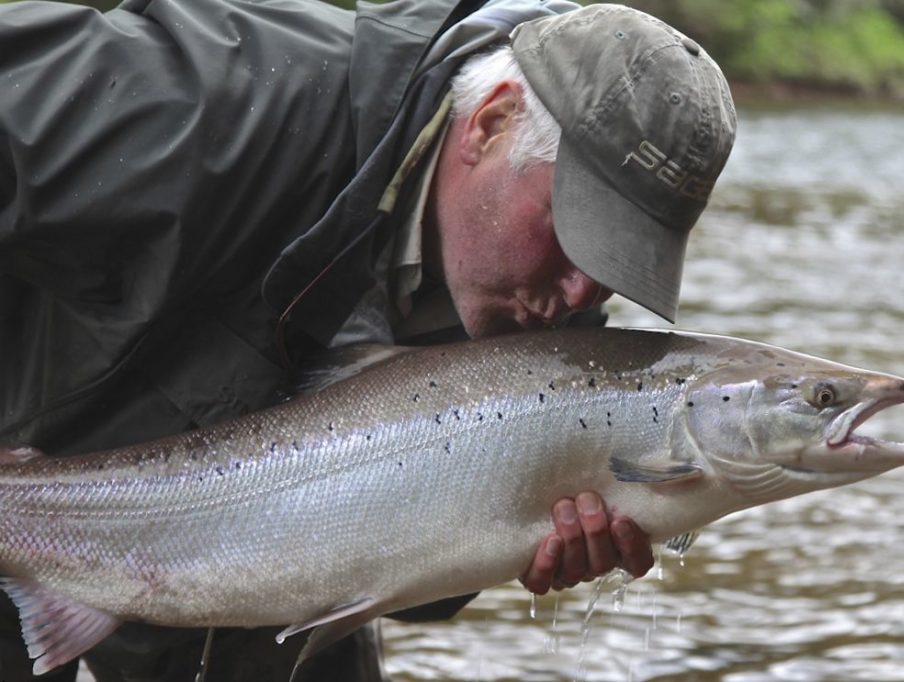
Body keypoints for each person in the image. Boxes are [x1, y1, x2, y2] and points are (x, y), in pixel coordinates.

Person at [0, 0, 736, 679]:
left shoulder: (548, 326)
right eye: (574, 234)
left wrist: (517, 543)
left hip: (247, 592)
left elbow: (390, 562)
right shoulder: (218, 102)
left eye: (617, 261)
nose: (583, 294)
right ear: (490, 123)